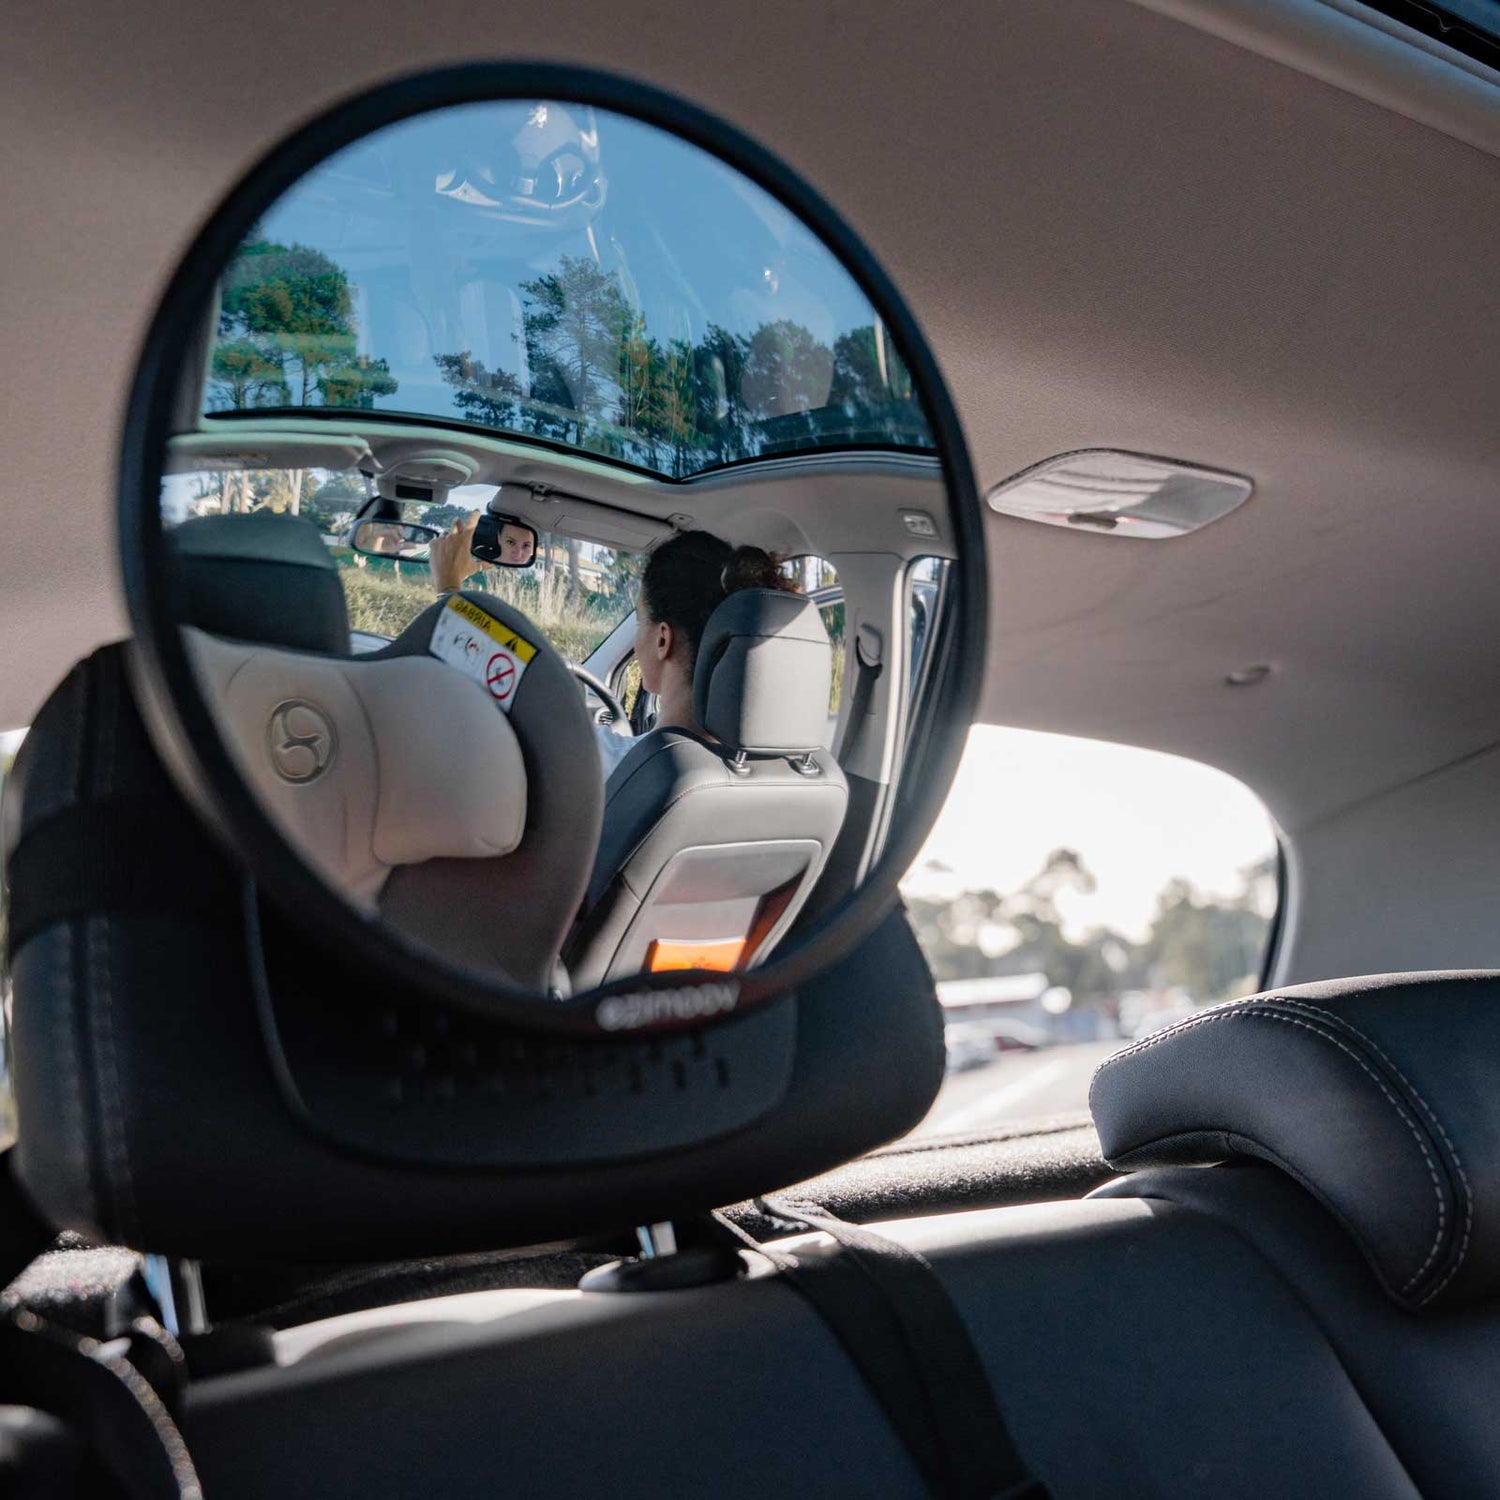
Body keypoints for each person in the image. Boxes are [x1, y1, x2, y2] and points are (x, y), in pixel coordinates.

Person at [428, 523, 796, 775]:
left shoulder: (606, 763)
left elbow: (492, 681)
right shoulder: (788, 782)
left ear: (662, 640)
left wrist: (448, 586)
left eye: (639, 622)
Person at [429, 510, 534, 586]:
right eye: (510, 542)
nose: (518, 553)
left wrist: (447, 583)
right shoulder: (483, 561)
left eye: (526, 546)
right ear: (499, 538)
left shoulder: (483, 564)